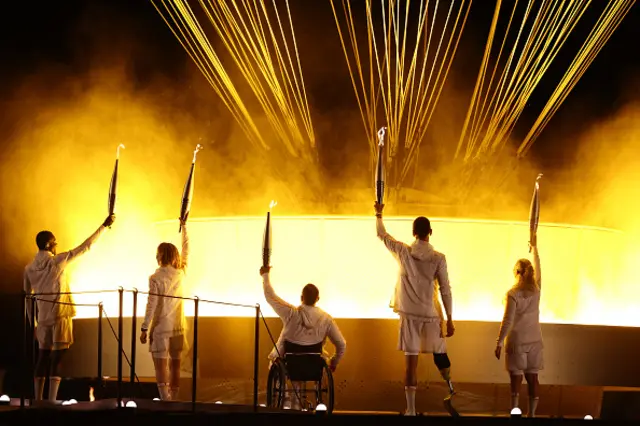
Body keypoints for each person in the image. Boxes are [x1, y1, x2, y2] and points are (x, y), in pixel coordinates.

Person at [374, 202, 456, 416]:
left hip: (409, 316)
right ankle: (450, 389)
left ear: (413, 233)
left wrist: (379, 213)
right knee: (440, 353)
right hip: (431, 316)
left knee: (411, 365)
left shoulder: (403, 251)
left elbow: (382, 235)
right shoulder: (439, 258)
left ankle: (410, 410)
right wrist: (450, 318)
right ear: (430, 232)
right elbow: (446, 290)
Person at [24, 214, 116, 402]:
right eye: (55, 242)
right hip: (60, 315)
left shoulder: (28, 269)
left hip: (42, 319)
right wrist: (104, 226)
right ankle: (50, 400)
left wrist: (32, 323)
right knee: (57, 358)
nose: (57, 245)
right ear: (49, 245)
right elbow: (86, 247)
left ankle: (38, 399)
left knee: (42, 357)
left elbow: (27, 299)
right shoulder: (58, 261)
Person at [260, 265, 346, 410]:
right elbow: (341, 344)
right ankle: (300, 405)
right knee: (311, 360)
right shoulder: (327, 319)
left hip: (289, 363)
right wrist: (333, 362)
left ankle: (286, 403)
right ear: (318, 298)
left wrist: (265, 275)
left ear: (301, 298)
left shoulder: (291, 313)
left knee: (277, 362)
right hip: (314, 365)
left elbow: (270, 296)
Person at [140, 219, 189, 401]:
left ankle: (165, 400)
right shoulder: (181, 274)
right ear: (175, 256)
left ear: (159, 256)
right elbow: (187, 249)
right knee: (175, 365)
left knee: (161, 366)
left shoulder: (155, 278)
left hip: (160, 328)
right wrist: (184, 226)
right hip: (178, 327)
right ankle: (174, 400)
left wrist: (145, 328)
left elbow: (151, 304)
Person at [495, 235, 542, 418]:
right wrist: (535, 248)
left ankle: (514, 413)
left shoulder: (512, 293)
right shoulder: (536, 290)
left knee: (515, 380)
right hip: (535, 341)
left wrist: (499, 342)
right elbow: (539, 267)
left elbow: (507, 320)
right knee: (533, 379)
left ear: (516, 272)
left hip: (516, 342)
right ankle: (532, 415)